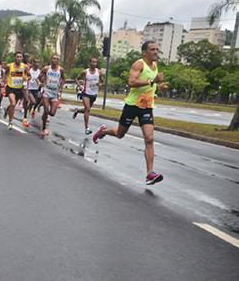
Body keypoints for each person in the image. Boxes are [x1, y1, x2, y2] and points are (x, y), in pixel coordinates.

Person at [92, 41, 169, 185]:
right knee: (120, 134)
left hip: (146, 107)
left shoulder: (155, 65)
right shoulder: (138, 64)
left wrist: (160, 86)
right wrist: (153, 80)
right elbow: (132, 82)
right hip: (132, 105)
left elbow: (150, 84)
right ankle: (103, 131)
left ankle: (150, 174)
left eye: (157, 49)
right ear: (144, 52)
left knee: (149, 138)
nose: (156, 52)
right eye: (152, 49)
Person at [72, 57, 104, 134]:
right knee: (88, 109)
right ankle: (87, 128)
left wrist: (99, 84)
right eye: (92, 62)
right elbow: (76, 79)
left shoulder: (99, 72)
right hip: (85, 93)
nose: (94, 63)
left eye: (95, 62)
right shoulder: (85, 72)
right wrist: (80, 86)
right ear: (89, 63)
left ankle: (77, 110)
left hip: (94, 94)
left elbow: (103, 82)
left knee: (86, 110)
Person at [39, 54, 65, 136]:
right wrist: (42, 82)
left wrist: (61, 87)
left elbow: (64, 79)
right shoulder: (46, 68)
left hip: (54, 93)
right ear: (51, 59)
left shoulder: (61, 70)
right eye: (54, 58)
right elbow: (39, 76)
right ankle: (44, 128)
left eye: (57, 59)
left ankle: (44, 116)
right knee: (46, 110)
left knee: (52, 113)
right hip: (46, 91)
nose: (55, 60)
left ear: (58, 61)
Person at [3, 52, 29, 130]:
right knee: (13, 104)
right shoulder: (9, 66)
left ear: (22, 58)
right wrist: (4, 80)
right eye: (17, 57)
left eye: (20, 57)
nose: (19, 58)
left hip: (19, 88)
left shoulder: (25, 67)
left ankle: (7, 109)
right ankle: (10, 122)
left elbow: (29, 76)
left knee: (12, 105)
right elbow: (6, 73)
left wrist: (26, 78)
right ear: (14, 57)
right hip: (10, 87)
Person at [26, 58, 42, 123]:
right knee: (33, 102)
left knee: (36, 102)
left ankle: (32, 110)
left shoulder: (39, 71)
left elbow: (41, 79)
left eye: (38, 63)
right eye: (36, 62)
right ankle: (27, 111)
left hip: (37, 89)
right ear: (33, 63)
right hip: (29, 89)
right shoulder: (29, 70)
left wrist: (40, 85)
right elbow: (26, 78)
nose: (37, 64)